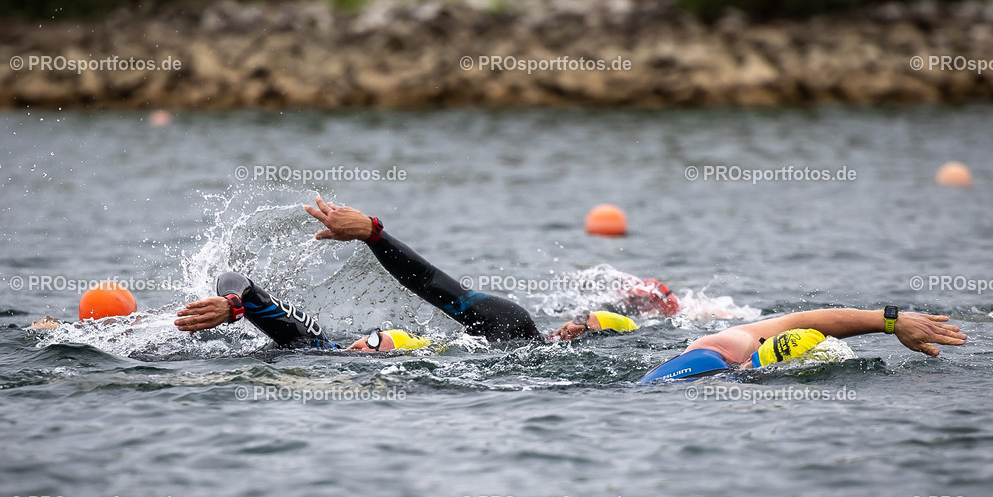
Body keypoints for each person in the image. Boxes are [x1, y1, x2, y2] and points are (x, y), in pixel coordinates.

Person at [174, 197, 645, 350]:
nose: (573, 326)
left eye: (586, 330)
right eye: (582, 319)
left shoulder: (323, 353)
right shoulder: (512, 325)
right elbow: (433, 286)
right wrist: (373, 233)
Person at [639, 307, 967, 382]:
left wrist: (891, 320)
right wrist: (888, 320)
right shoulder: (727, 344)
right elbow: (802, 324)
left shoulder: (736, 342)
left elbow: (803, 322)